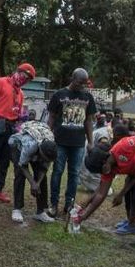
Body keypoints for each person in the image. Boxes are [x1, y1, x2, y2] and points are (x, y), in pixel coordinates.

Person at [0, 63, 35, 203]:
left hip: (11, 129)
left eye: (27, 79)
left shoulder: (20, 94)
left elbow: (17, 112)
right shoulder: (0, 82)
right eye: (24, 76)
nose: (24, 80)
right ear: (17, 71)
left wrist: (21, 118)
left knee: (5, 162)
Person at [47, 68, 96, 216]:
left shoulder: (88, 97)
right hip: (60, 141)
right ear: (72, 78)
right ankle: (53, 204)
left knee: (74, 174)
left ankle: (69, 204)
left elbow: (88, 121)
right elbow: (52, 118)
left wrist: (91, 142)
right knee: (57, 172)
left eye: (85, 83)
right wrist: (47, 137)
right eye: (80, 82)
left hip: (78, 143)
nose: (83, 86)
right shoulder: (59, 95)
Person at [8, 121, 57, 223]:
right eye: (44, 159)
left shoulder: (52, 148)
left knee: (42, 177)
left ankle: (40, 212)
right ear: (40, 151)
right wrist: (32, 183)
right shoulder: (30, 145)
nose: (45, 161)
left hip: (40, 135)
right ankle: (17, 208)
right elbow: (22, 165)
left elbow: (44, 169)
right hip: (17, 144)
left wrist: (37, 183)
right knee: (19, 174)